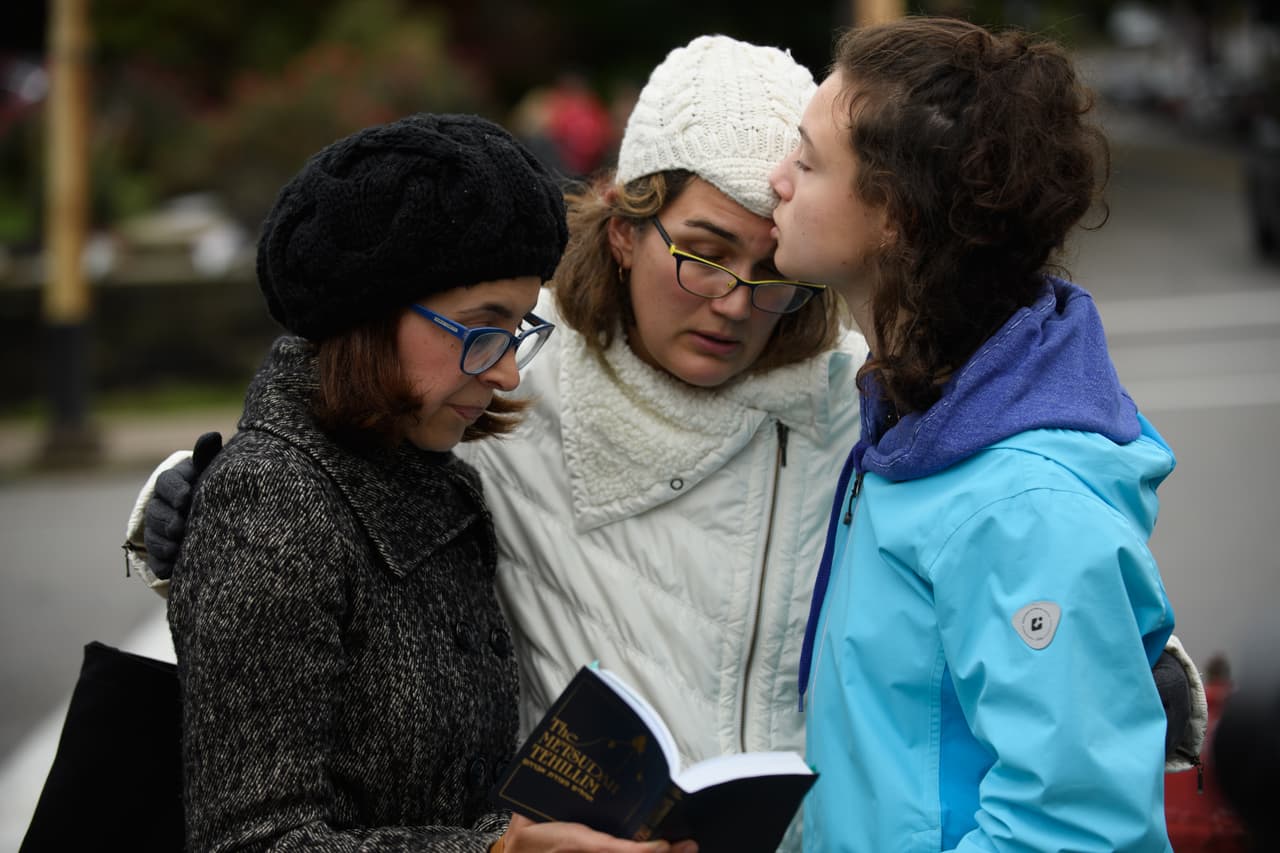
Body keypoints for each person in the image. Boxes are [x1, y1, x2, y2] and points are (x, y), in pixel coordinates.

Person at [130, 33, 1203, 852]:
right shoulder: (504, 376)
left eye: (770, 273)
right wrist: (196, 496)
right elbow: (344, 462)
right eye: (700, 252)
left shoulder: (862, 411)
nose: (736, 304)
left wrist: (1139, 659)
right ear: (624, 220)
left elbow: (1014, 558)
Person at [143, 111, 693, 853]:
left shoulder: (439, 483)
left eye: (520, 327)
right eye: (481, 326)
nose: (503, 369)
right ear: (369, 315)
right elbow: (251, 839)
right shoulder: (271, 507)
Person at [768, 17, 1185, 851]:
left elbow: (1075, 829)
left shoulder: (1024, 504)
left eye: (808, 162)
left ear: (898, 218)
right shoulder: (913, 418)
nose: (775, 179)